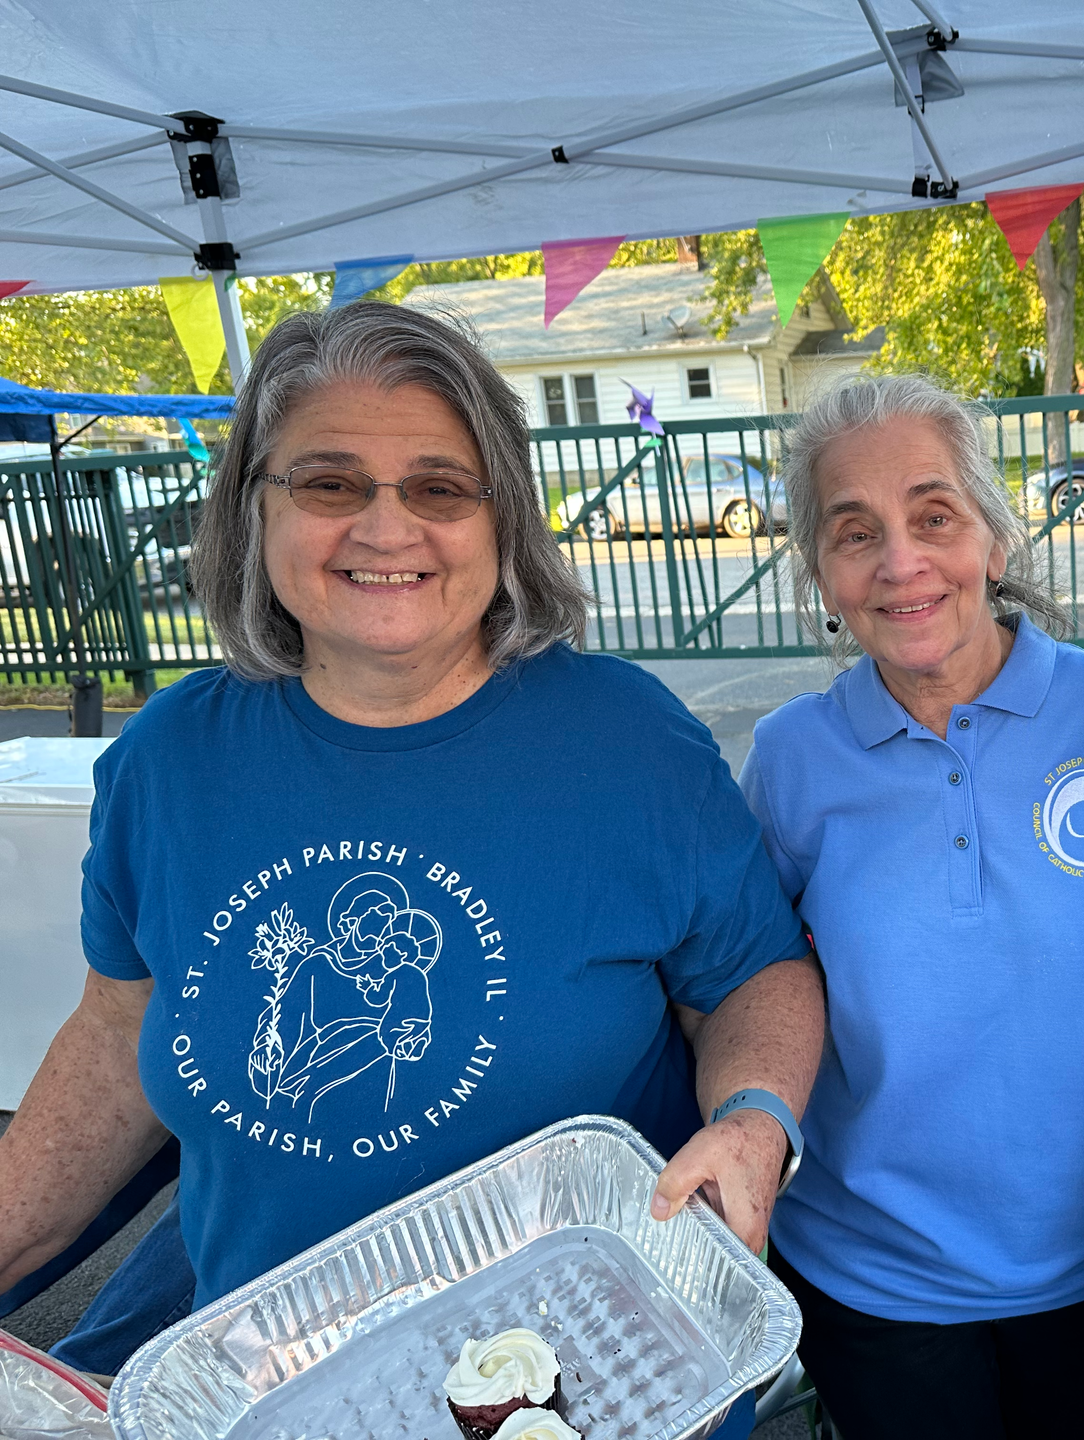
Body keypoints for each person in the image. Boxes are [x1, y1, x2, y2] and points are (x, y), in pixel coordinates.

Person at [0, 305, 824, 1429]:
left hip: (593, 1385)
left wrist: (756, 1120)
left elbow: (752, 974)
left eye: (440, 488)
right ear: (253, 509)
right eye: (329, 482)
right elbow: (116, 1032)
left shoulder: (626, 742)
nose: (386, 528)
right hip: (289, 1391)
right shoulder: (168, 763)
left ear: (503, 519)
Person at [739, 374, 1084, 1439]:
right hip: (872, 1282)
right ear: (821, 574)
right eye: (856, 533)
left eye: (933, 516)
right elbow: (747, 978)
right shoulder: (792, 758)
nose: (901, 562)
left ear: (994, 533)